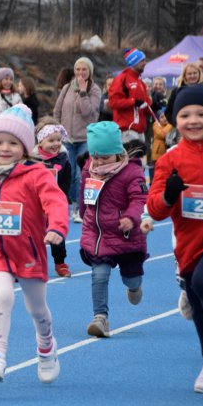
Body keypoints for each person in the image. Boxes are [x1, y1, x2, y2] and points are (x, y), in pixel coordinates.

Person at [147, 85, 203, 394]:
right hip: (188, 243)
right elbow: (155, 209)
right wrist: (169, 195)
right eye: (185, 115)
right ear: (175, 119)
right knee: (197, 303)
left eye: (202, 114)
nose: (193, 120)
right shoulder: (170, 160)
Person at [0, 104, 68, 383]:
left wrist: (56, 228)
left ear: (25, 146)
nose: (5, 148)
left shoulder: (37, 174)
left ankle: (46, 346)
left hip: (29, 250)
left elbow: (56, 202)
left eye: (13, 143)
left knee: (36, 309)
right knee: (3, 295)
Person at [78, 121, 148, 338]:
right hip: (98, 234)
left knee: (132, 278)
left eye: (104, 157)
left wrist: (131, 217)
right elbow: (83, 195)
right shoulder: (89, 169)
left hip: (126, 234)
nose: (98, 162)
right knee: (99, 274)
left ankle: (134, 287)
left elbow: (139, 198)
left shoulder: (131, 172)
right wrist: (83, 214)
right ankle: (100, 318)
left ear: (118, 153)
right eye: (95, 156)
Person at [53, 56, 101, 223]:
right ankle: (73, 202)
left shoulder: (94, 90)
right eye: (78, 69)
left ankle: (79, 208)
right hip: (67, 139)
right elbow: (57, 110)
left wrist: (82, 92)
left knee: (81, 175)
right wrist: (58, 129)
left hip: (85, 138)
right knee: (69, 173)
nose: (80, 73)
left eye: (84, 69)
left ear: (90, 72)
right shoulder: (66, 88)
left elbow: (88, 112)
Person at [34, 118, 72, 277]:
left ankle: (60, 262)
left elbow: (66, 182)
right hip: (35, 204)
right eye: (51, 140)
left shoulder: (63, 160)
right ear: (40, 142)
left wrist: (61, 199)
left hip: (55, 203)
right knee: (33, 234)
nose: (56, 144)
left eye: (58, 140)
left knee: (57, 232)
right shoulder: (32, 160)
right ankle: (31, 262)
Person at [108, 48, 152, 141]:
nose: (145, 63)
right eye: (142, 61)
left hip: (140, 130)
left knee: (140, 156)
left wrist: (152, 106)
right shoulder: (121, 79)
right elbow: (113, 102)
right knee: (131, 156)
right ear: (133, 62)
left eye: (145, 60)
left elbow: (146, 104)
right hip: (127, 130)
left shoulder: (140, 82)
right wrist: (133, 102)